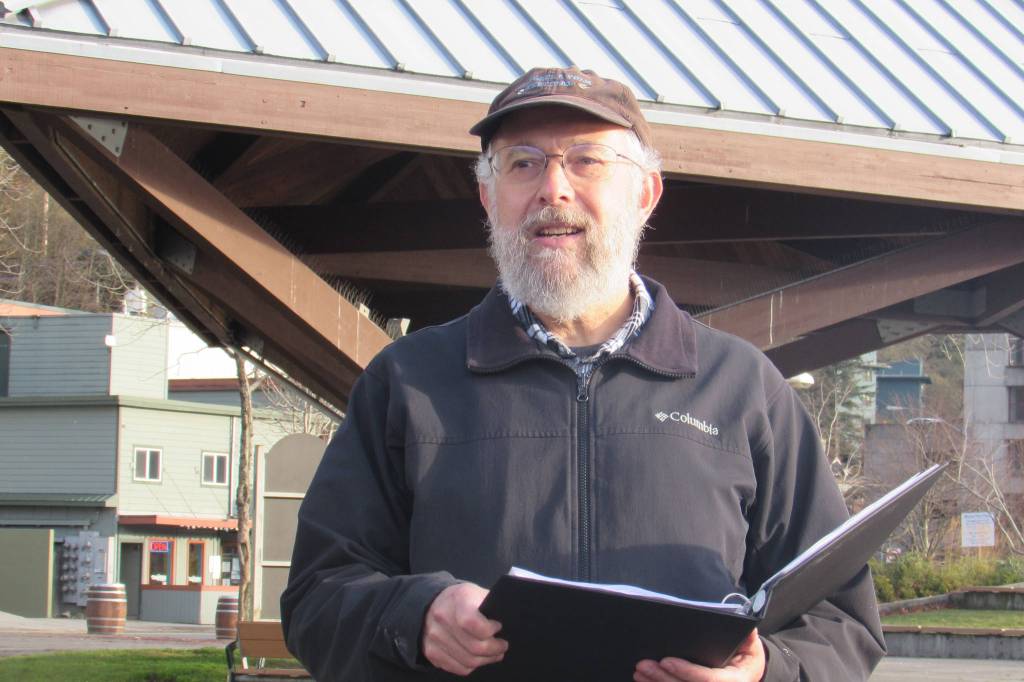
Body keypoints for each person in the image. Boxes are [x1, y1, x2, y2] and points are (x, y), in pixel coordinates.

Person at [281, 66, 885, 682]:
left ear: (645, 193)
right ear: (488, 197)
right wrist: (416, 615)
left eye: (587, 161)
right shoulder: (408, 383)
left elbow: (841, 618)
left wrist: (765, 672)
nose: (554, 189)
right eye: (522, 163)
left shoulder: (744, 388)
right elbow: (315, 599)